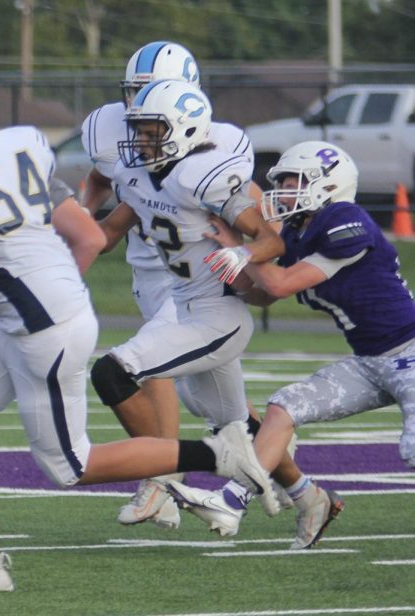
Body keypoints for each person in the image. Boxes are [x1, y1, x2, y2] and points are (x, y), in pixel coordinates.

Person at [0, 65, 276, 592]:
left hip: (39, 325)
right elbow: (88, 237)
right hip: (34, 313)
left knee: (71, 466)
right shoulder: (18, 146)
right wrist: (55, 289)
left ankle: (220, 453)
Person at [172, 141, 415, 548]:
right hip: (369, 362)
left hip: (410, 352)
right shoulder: (299, 232)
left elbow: (280, 284)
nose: (284, 191)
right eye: (282, 182)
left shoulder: (345, 220)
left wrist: (243, 249)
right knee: (285, 405)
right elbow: (260, 293)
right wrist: (227, 262)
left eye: (293, 182)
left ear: (328, 184)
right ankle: (231, 502)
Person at [79, 41, 267, 529]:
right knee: (222, 411)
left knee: (142, 366)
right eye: (134, 94)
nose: (137, 110)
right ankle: (296, 481)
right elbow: (104, 187)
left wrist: (254, 256)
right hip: (152, 270)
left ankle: (160, 479)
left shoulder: (217, 150)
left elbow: (258, 216)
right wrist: (77, 218)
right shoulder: (119, 138)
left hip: (197, 280)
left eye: (151, 97)